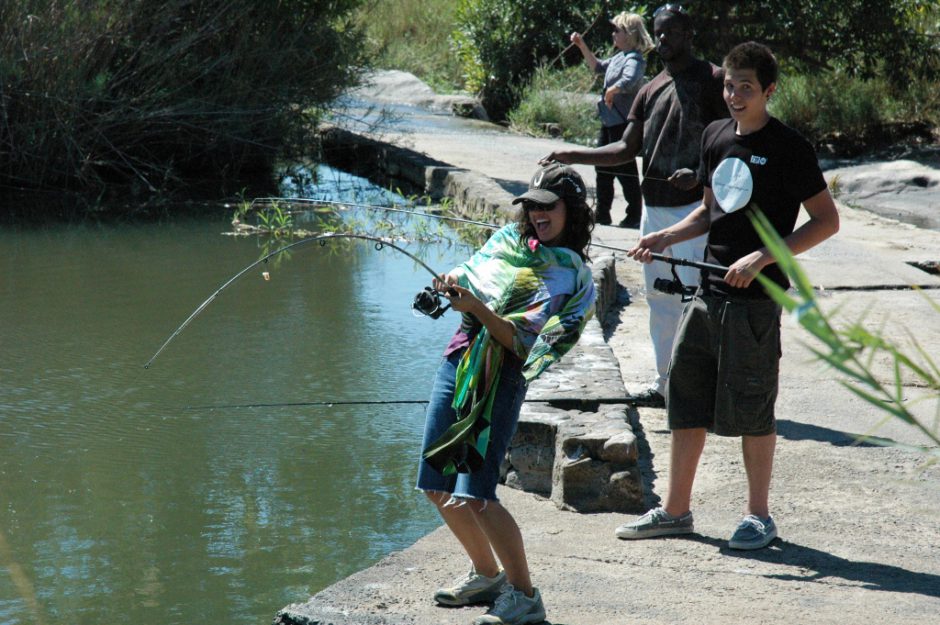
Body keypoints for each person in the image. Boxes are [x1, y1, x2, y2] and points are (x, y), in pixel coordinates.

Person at [617, 41, 840, 549]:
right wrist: (665, 237)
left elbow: (827, 221)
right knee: (686, 400)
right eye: (729, 85)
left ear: (769, 91)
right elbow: (711, 212)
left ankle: (758, 516)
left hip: (756, 302)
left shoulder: (790, 148)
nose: (735, 95)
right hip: (705, 293)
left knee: (753, 407)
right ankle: (675, 512)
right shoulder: (716, 135)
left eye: (746, 87)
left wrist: (764, 257)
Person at [416, 162, 597, 625]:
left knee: (477, 495)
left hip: (500, 378)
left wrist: (476, 306)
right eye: (532, 206)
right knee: (435, 486)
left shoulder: (567, 272)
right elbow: (473, 268)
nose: (537, 215)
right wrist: (453, 281)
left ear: (571, 211)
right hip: (458, 361)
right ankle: (486, 574)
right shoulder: (507, 241)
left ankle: (525, 595)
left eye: (548, 207)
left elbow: (521, 340)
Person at [544, 4, 728, 409]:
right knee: (661, 299)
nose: (664, 40)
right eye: (659, 34)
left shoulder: (713, 80)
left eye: (672, 33)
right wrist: (571, 154)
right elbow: (626, 149)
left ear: (688, 34)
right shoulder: (650, 88)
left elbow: (731, 141)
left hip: (695, 212)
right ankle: (666, 387)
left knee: (699, 302)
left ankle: (706, 393)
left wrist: (700, 172)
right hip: (654, 209)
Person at [570, 11, 653, 228]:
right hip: (609, 122)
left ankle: (634, 214)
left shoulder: (635, 59)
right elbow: (598, 67)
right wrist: (581, 45)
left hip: (623, 125)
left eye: (618, 30)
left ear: (629, 34)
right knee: (601, 167)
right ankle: (603, 212)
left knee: (625, 170)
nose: (613, 34)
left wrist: (613, 90)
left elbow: (630, 79)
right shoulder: (618, 57)